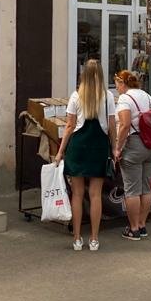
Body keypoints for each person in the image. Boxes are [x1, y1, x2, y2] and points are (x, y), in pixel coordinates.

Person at [55, 59, 116, 252]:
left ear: (83, 75)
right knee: (95, 194)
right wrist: (115, 148)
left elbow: (69, 126)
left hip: (78, 147)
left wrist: (60, 152)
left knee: (77, 194)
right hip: (99, 146)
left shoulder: (76, 96)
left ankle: (77, 238)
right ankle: (95, 238)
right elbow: (112, 126)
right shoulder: (108, 96)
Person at [113, 69, 151, 241]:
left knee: (132, 190)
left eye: (117, 84)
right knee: (146, 188)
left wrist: (118, 148)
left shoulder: (125, 99)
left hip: (134, 145)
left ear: (122, 83)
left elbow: (125, 125)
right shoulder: (148, 96)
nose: (116, 88)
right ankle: (142, 225)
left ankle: (133, 229)